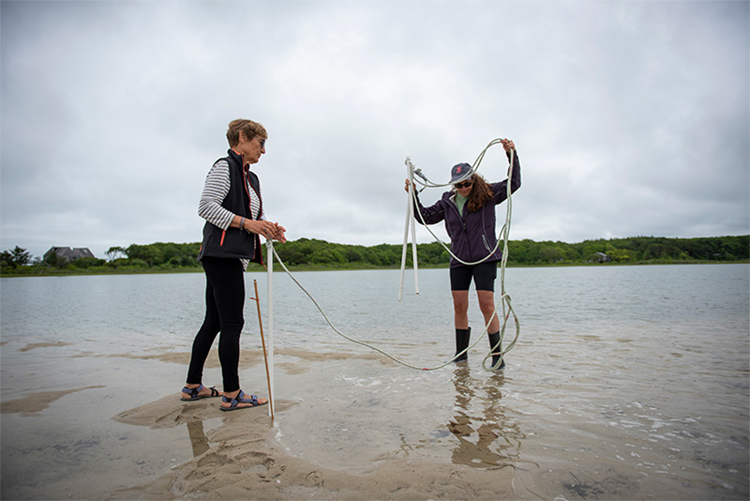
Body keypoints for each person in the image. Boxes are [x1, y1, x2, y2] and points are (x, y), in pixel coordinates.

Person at [181, 119, 286, 411]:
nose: (263, 151)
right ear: (242, 137)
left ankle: (192, 387)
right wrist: (248, 223)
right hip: (221, 255)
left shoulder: (251, 179)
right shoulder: (224, 167)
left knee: (214, 322)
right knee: (232, 323)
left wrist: (268, 228)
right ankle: (232, 394)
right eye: (260, 143)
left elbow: (251, 219)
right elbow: (206, 206)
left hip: (231, 257)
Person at [405, 139, 521, 370]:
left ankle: (497, 356)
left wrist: (511, 156)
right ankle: (461, 356)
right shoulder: (447, 201)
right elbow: (424, 216)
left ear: (473, 179)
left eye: (467, 183)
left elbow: (514, 183)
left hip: (484, 258)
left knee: (486, 305)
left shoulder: (488, 194)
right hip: (458, 260)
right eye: (458, 185)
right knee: (459, 306)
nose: (463, 189)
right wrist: (413, 195)